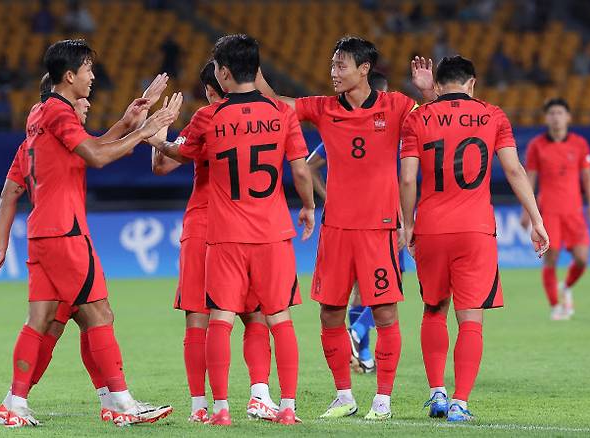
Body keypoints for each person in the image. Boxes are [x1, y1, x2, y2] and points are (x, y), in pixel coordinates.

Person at [0, 38, 182, 427]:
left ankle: (14, 402)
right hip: (65, 231)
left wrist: (129, 121)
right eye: (88, 70)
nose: (93, 78)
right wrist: (147, 131)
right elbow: (97, 156)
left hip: (43, 232)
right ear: (69, 76)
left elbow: (83, 151)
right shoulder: (58, 112)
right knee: (98, 313)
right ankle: (121, 403)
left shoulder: (39, 120)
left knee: (43, 321)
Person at [256, 36, 436, 420]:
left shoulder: (398, 105)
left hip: (380, 228)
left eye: (341, 66)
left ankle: (383, 399)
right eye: (332, 65)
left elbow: (438, 125)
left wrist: (429, 92)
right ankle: (344, 396)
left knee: (385, 315)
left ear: (364, 69)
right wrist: (250, 72)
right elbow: (277, 104)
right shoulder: (323, 108)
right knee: (330, 315)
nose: (333, 72)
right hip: (335, 229)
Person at [156, 34, 315, 426]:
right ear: (256, 70)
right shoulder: (282, 113)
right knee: (278, 318)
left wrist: (153, 131)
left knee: (218, 319)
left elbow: (176, 154)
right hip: (273, 232)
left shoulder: (209, 117)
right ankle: (288, 408)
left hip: (224, 233)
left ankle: (219, 408)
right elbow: (298, 169)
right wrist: (309, 206)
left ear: (223, 74)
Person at [400, 55, 549, 422]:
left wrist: (408, 225)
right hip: (475, 228)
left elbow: (406, 179)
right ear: (472, 83)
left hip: (431, 227)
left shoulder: (417, 118)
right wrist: (536, 218)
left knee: (434, 310)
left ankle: (436, 393)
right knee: (471, 320)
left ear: (437, 84)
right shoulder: (493, 115)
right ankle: (460, 403)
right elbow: (514, 169)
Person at [149, 62, 281, 423]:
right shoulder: (264, 115)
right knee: (254, 315)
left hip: (202, 224)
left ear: (211, 89)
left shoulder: (206, 118)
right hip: (248, 225)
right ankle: (260, 395)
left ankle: (199, 407)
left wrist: (157, 128)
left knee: (198, 318)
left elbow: (161, 166)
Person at [306, 71, 395, 375]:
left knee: (361, 291)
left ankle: (365, 356)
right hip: (382, 219)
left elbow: (308, 167)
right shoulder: (389, 124)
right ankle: (357, 335)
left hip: (352, 219)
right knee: (384, 291)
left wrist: (325, 195)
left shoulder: (345, 127)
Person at [522, 98, 590, 320]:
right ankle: (555, 306)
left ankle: (566, 286)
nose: (556, 117)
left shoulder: (579, 143)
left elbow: (587, 176)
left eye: (560, 113)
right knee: (550, 259)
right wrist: (526, 211)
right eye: (552, 113)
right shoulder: (537, 145)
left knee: (582, 259)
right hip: (549, 212)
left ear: (568, 117)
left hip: (574, 211)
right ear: (546, 118)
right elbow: (530, 179)